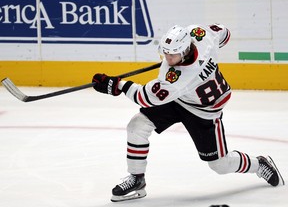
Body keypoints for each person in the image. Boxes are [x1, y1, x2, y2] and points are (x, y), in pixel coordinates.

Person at [92, 23, 285, 202]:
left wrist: (116, 85)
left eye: (172, 55)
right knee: (137, 125)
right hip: (180, 99)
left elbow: (145, 97)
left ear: (185, 51)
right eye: (166, 53)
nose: (168, 59)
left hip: (204, 112)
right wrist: (211, 53)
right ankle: (137, 179)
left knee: (220, 165)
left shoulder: (178, 79)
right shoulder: (200, 35)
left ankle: (259, 164)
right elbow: (224, 34)